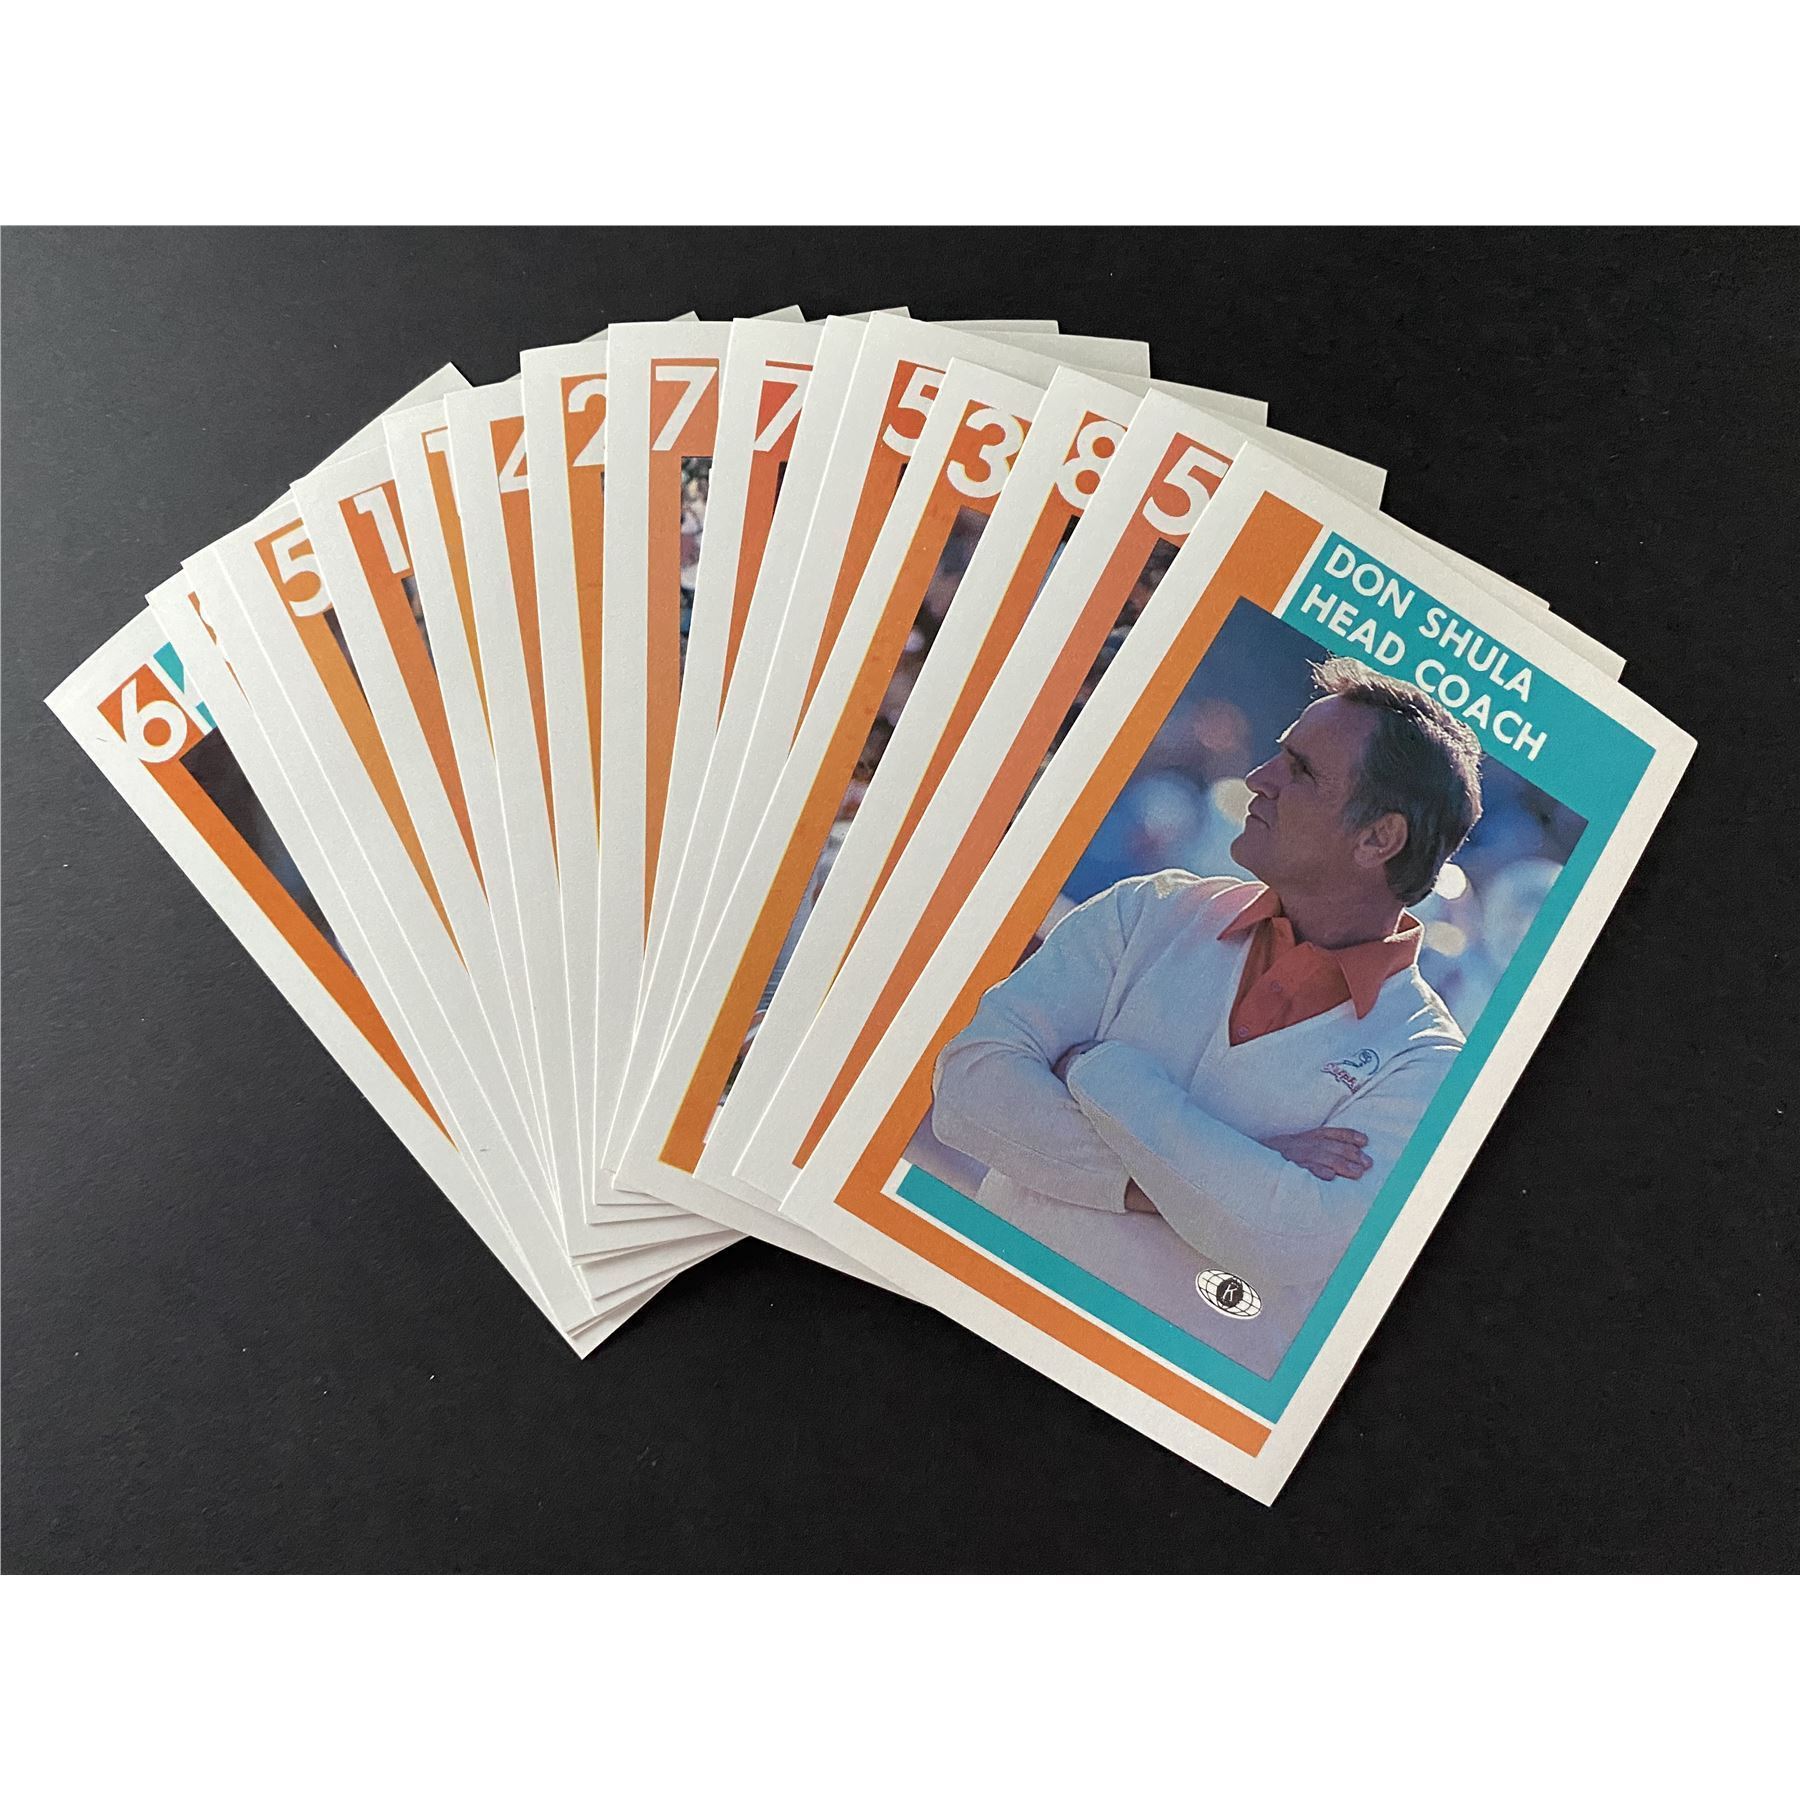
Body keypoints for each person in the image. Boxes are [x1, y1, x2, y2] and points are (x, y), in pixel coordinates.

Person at [931, 657, 1484, 1299]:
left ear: (1379, 838)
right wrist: (1236, 1168)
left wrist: (1095, 1069)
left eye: (1301, 770)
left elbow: (1301, 1247)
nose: (1258, 778)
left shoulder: (1430, 1063)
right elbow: (968, 1087)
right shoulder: (1146, 908)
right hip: (968, 1304)